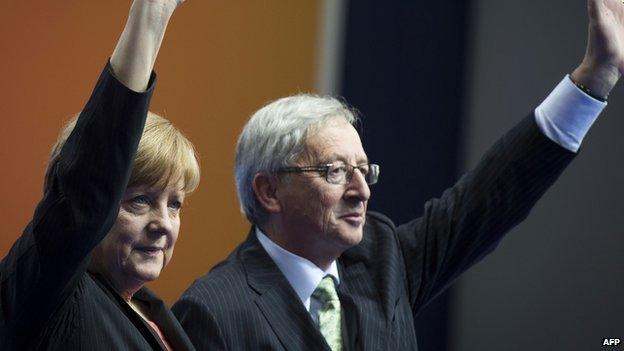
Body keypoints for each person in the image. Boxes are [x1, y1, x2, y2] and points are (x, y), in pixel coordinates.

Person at [171, 0, 623, 350]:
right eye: (335, 172)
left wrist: (594, 77)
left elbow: (493, 195)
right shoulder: (212, 312)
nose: (361, 190)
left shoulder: (380, 260)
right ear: (269, 191)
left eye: (364, 171)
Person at [0, 1, 198, 350]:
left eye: (175, 204)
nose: (164, 224)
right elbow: (88, 186)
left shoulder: (154, 312)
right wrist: (151, 15)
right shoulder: (48, 292)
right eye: (141, 201)